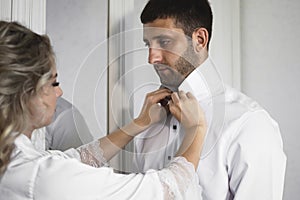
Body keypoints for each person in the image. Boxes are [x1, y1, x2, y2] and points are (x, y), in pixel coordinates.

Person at [0, 21, 207, 199]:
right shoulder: (39, 177)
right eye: (54, 83)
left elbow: (76, 158)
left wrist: (138, 124)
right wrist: (196, 130)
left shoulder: (15, 160)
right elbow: (162, 192)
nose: (60, 92)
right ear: (27, 93)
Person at [131, 0, 287, 199]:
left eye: (164, 42)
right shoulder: (150, 122)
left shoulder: (248, 123)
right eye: (148, 44)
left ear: (200, 39)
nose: (152, 58)